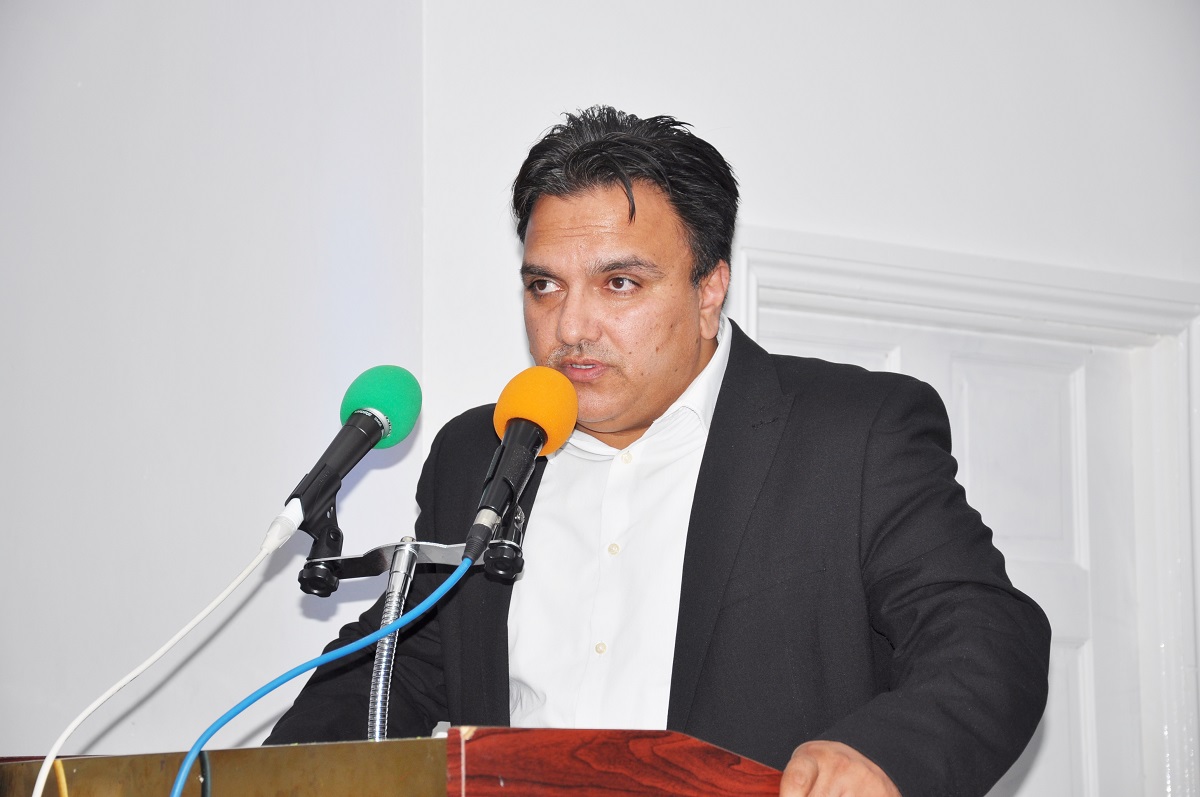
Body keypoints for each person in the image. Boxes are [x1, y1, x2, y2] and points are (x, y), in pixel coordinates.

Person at [266, 105, 1051, 797]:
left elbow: (987, 636)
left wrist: (885, 756)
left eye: (619, 284)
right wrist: (268, 774)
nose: (571, 326)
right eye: (544, 285)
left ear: (709, 289)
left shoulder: (850, 434)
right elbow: (403, 660)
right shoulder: (482, 451)